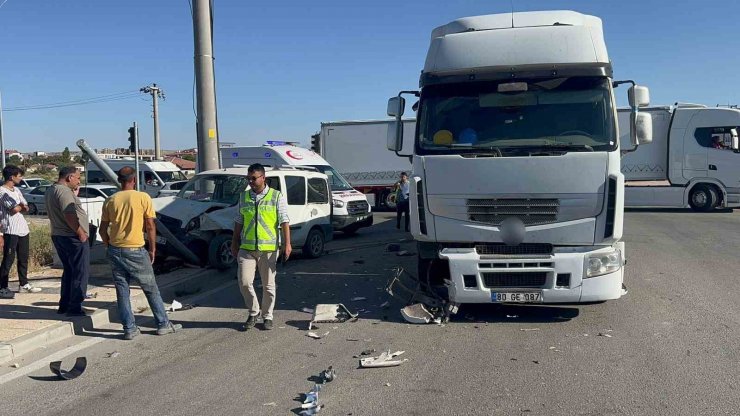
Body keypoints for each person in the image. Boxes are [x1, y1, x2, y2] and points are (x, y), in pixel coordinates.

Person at [99, 166, 181, 340]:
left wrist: (108, 245)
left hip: (115, 249)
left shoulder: (111, 200)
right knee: (150, 289)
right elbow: (150, 225)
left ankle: (129, 329)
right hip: (135, 249)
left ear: (120, 180)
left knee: (122, 292)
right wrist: (152, 248)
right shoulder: (143, 197)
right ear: (134, 180)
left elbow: (102, 229)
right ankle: (163, 324)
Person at [230, 163, 291, 331]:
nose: (250, 181)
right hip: (247, 248)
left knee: (268, 285)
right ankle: (254, 311)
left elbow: (284, 221)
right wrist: (234, 242)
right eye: (248, 178)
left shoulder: (276, 196)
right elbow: (239, 221)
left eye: (254, 178)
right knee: (244, 282)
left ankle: (268, 316)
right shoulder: (244, 197)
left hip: (268, 248)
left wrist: (287, 244)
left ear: (263, 178)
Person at [45, 166, 89, 316]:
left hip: (59, 235)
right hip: (72, 237)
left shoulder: (52, 189)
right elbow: (69, 214)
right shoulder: (64, 191)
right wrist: (81, 232)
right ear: (69, 177)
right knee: (80, 272)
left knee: (69, 271)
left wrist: (73, 195)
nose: (79, 181)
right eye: (77, 178)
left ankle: (64, 304)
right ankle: (74, 307)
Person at [0, 165, 41, 299]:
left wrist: (21, 206)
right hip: (11, 230)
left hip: (23, 229)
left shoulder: (17, 190)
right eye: (19, 176)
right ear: (12, 177)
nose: (21, 178)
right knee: (8, 259)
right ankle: (2, 287)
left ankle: (23, 284)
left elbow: (26, 206)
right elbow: (13, 209)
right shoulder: (2, 192)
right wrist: (20, 206)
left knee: (23, 258)